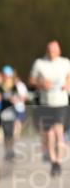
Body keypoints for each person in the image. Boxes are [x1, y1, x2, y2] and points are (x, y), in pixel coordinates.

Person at [29, 40, 70, 176]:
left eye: (55, 50)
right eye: (50, 50)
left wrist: (67, 83)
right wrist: (41, 83)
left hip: (61, 103)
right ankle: (54, 162)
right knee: (50, 134)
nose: (52, 53)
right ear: (47, 51)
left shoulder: (65, 62)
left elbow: (69, 76)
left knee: (58, 131)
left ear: (59, 51)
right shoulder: (40, 63)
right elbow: (32, 80)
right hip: (46, 103)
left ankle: (58, 159)